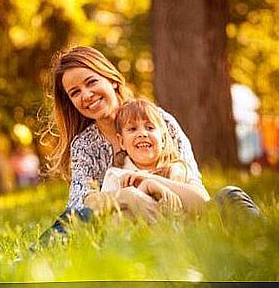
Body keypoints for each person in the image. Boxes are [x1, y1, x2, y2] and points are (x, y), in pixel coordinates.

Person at [39, 46, 260, 242]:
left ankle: (271, 247)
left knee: (231, 196)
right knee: (74, 220)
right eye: (75, 93)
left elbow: (200, 199)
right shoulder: (85, 145)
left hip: (182, 221)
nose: (86, 95)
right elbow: (80, 207)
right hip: (122, 230)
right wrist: (126, 196)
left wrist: (149, 179)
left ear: (112, 80)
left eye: (91, 82)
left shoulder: (160, 122)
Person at [98, 98, 210, 218]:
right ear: (121, 142)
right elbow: (108, 218)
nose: (142, 134)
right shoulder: (116, 176)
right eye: (132, 129)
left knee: (228, 195)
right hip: (137, 234)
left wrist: (150, 179)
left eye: (150, 128)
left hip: (181, 234)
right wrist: (144, 188)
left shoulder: (179, 169)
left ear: (163, 139)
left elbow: (204, 203)